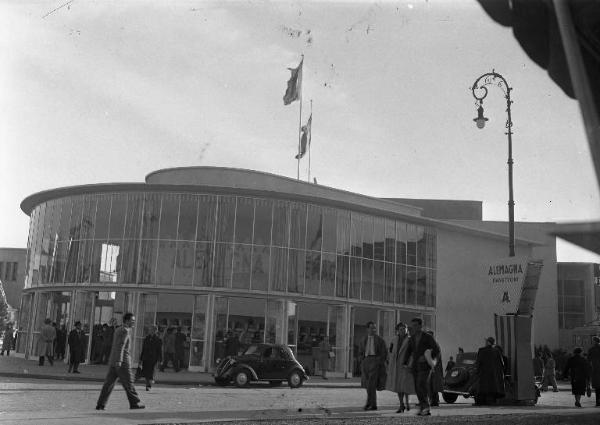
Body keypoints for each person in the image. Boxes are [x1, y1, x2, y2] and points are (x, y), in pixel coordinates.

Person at [96, 313, 144, 410]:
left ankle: (101, 404)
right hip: (122, 362)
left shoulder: (118, 329)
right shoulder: (125, 331)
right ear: (127, 321)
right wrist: (119, 360)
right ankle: (135, 403)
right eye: (132, 320)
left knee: (108, 384)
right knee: (129, 382)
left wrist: (116, 360)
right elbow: (120, 346)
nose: (134, 322)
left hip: (114, 361)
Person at [404, 317, 439, 416]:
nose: (413, 328)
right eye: (412, 326)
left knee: (421, 384)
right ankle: (423, 407)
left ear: (420, 326)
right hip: (415, 366)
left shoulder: (427, 337)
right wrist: (405, 363)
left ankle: (426, 407)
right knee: (417, 387)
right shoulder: (412, 338)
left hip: (425, 367)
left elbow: (436, 350)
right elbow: (408, 351)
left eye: (415, 326)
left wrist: (427, 357)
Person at [385, 322, 415, 413]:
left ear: (407, 330)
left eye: (404, 328)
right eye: (401, 329)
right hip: (396, 366)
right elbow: (390, 351)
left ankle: (407, 403)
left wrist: (410, 364)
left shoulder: (410, 340)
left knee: (405, 386)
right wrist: (389, 363)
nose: (403, 330)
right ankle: (401, 405)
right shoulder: (394, 340)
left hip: (405, 366)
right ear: (397, 330)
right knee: (398, 386)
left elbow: (413, 353)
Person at [358, 321, 387, 411]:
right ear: (367, 329)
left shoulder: (380, 340)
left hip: (375, 361)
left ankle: (371, 404)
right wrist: (361, 360)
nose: (373, 330)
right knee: (367, 384)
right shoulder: (363, 339)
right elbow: (360, 351)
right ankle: (371, 403)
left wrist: (378, 361)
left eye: (374, 328)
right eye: (371, 328)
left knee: (372, 384)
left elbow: (384, 353)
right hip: (366, 361)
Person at [474, 337, 505, 405]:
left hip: (483, 375)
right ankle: (491, 401)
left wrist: (477, 372)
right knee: (491, 391)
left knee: (482, 390)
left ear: (488, 342)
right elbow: (501, 364)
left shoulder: (482, 350)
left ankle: (481, 402)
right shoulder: (496, 351)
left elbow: (478, 363)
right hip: (493, 376)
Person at [140, 325, 162, 391]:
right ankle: (147, 384)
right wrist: (141, 358)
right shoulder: (146, 338)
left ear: (155, 331)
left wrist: (160, 360)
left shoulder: (158, 340)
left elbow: (159, 350)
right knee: (146, 372)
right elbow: (143, 349)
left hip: (153, 358)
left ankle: (149, 384)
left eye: (152, 330)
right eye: (150, 330)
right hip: (146, 358)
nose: (150, 331)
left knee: (151, 372)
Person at [427, 331, 443, 407]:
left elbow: (437, 356)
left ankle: (434, 401)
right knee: (429, 385)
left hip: (434, 368)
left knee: (433, 386)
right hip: (430, 368)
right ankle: (432, 400)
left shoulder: (435, 345)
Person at [588, 336, 600, 406]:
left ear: (595, 341)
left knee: (597, 388)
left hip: (595, 369)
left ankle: (597, 402)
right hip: (596, 369)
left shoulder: (592, 349)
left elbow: (588, 360)